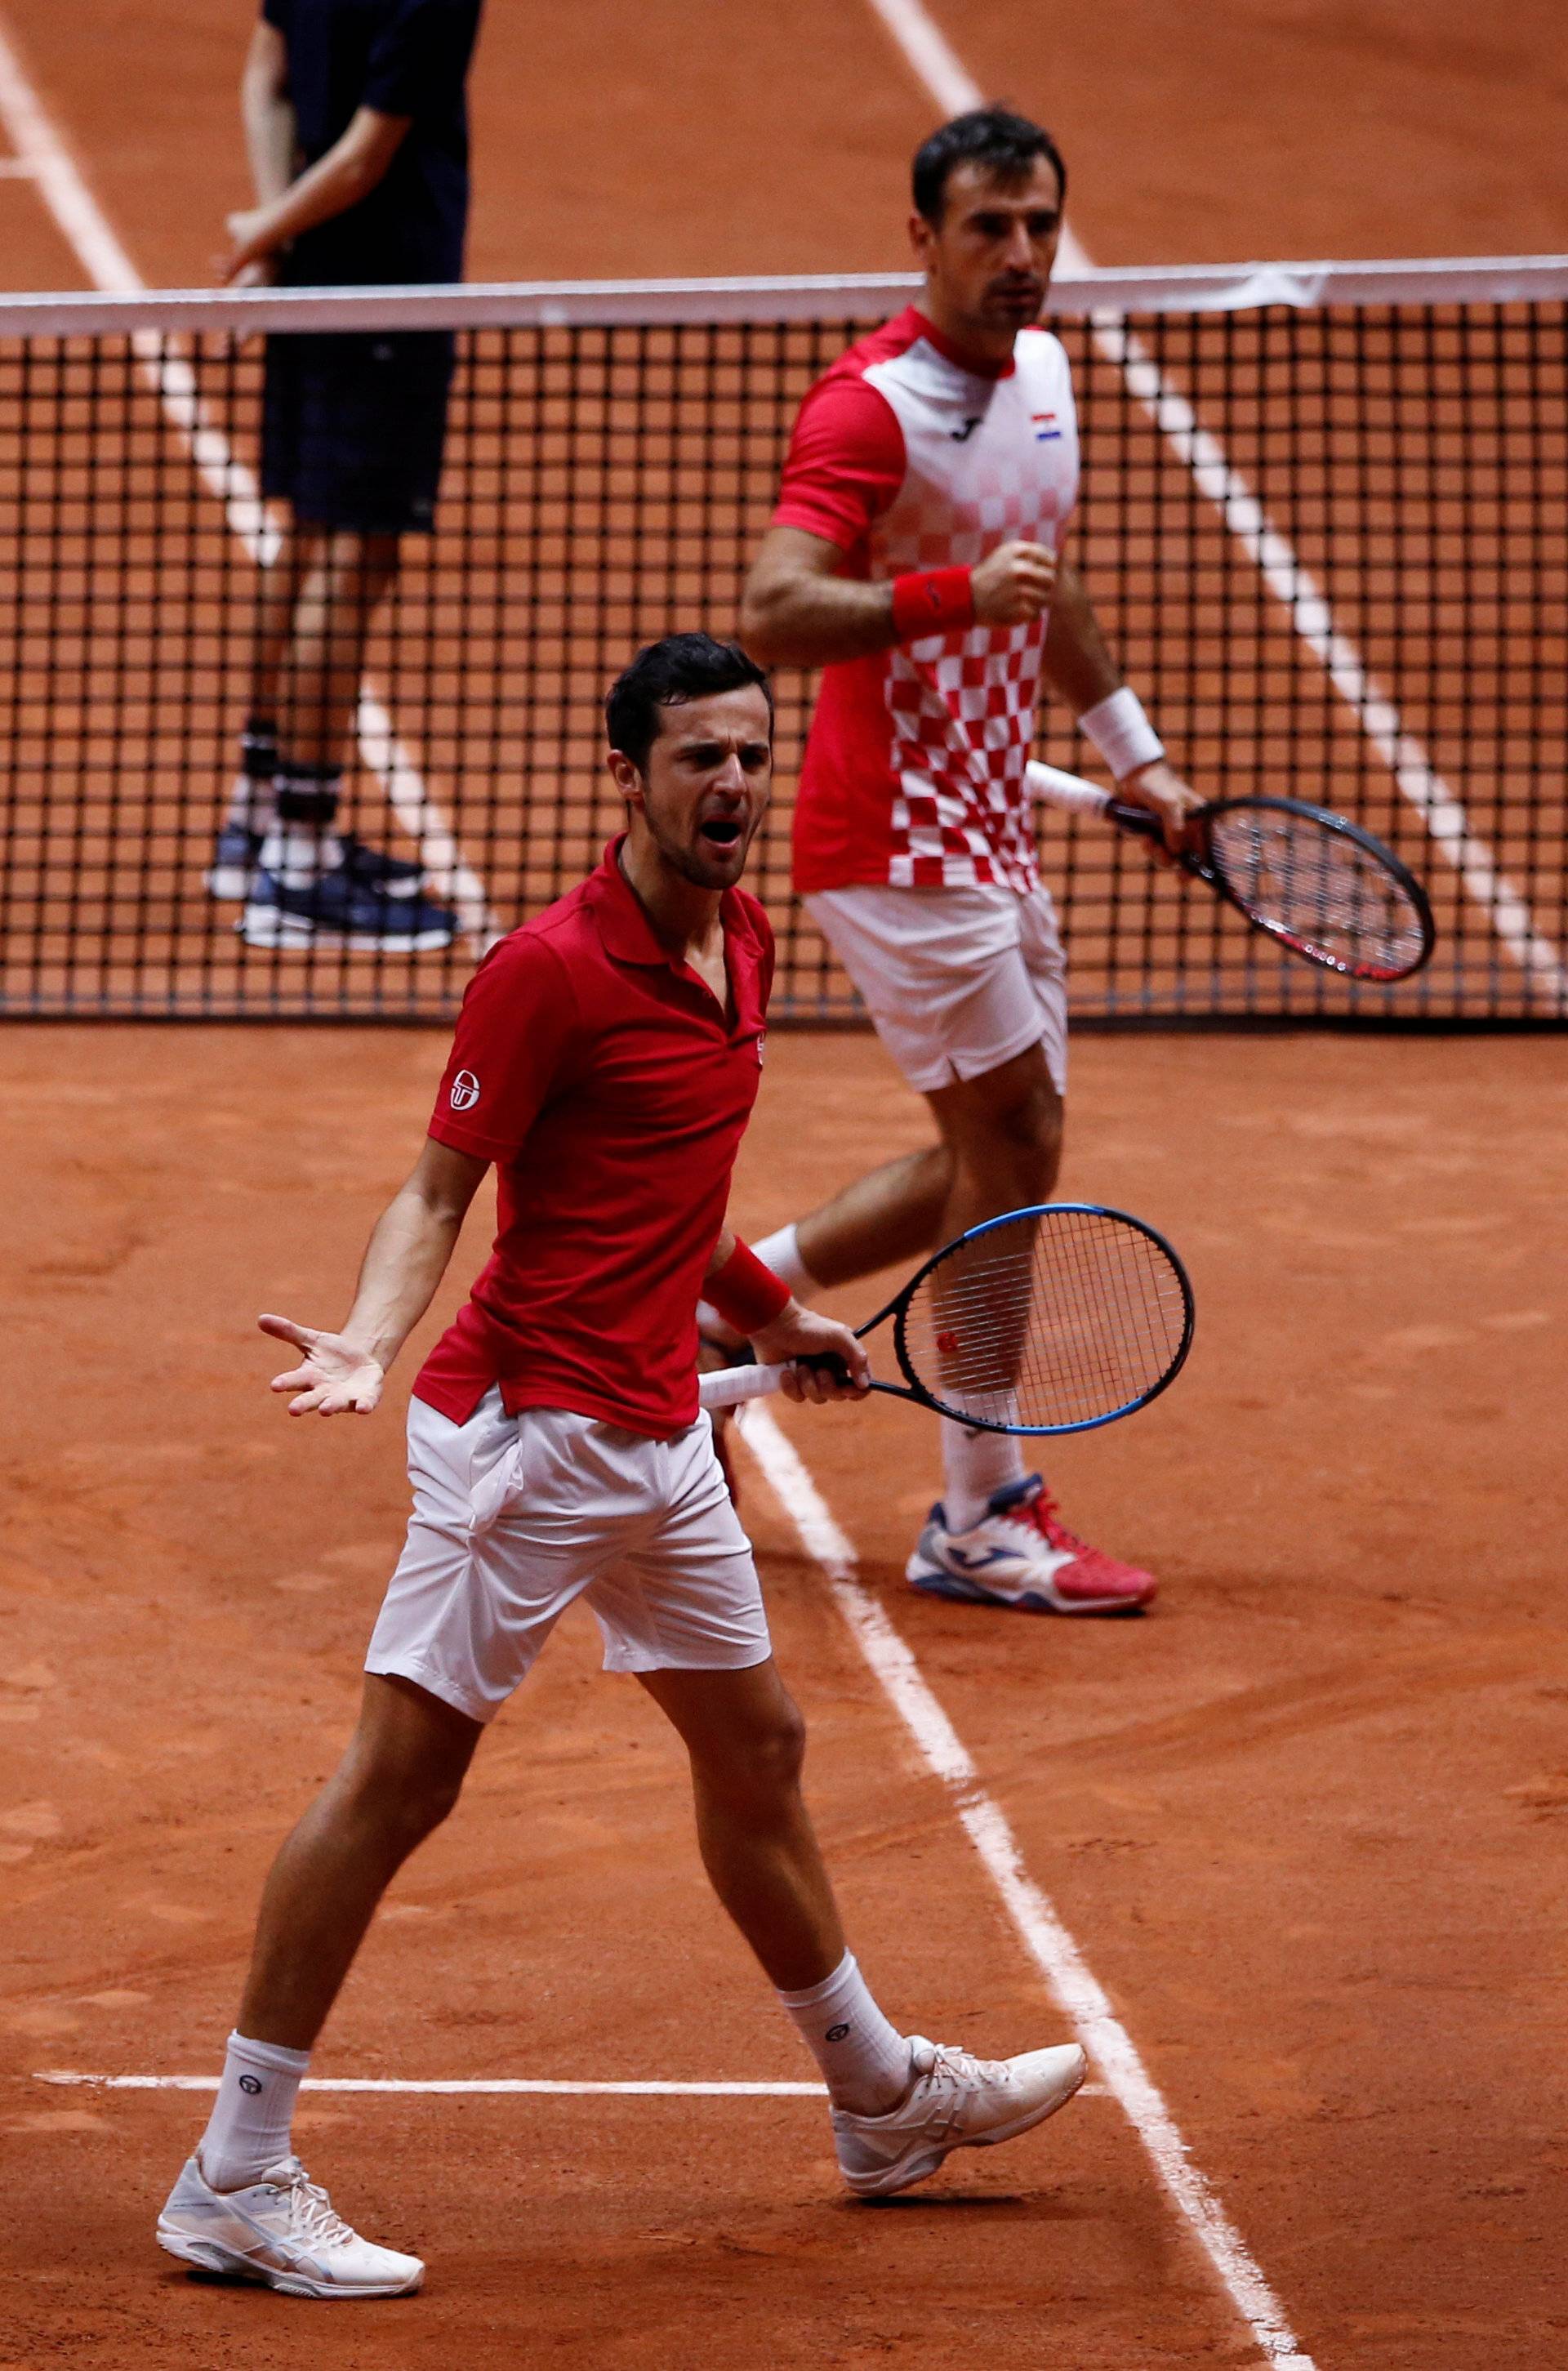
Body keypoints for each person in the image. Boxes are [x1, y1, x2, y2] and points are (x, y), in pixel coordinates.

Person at [155, 635, 1087, 2298]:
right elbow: (442, 1190)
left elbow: (676, 1191)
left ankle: (875, 2096)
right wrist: (372, 1335)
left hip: (658, 1429)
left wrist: (779, 1316)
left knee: (761, 1745)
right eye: (697, 759)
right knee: (397, 1782)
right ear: (629, 778)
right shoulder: (548, 969)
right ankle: (234, 2164)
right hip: (526, 1444)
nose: (732, 783)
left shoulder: (743, 937)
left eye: (749, 753)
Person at [730, 107, 1201, 1617]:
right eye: (989, 227)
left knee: (993, 1155)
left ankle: (714, 1304)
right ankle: (982, 1507)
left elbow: (1042, 583)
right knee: (1019, 1134)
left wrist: (1136, 756)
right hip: (890, 837)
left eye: (1041, 225)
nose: (1021, 256)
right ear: (921, 236)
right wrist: (944, 593)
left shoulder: (1049, 378)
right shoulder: (870, 409)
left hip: (993, 819)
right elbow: (773, 610)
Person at [207, 0, 485, 954]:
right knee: (354, 554)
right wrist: (261, 234)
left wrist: (280, 235)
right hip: (388, 283)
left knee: (310, 534)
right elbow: (369, 157)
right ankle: (304, 859)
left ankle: (257, 819)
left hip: (314, 272)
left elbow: (265, 74)